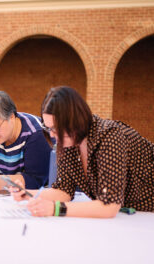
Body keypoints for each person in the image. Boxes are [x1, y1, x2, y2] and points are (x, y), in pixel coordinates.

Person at [11, 86, 154, 218]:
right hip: (136, 215)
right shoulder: (69, 143)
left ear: (75, 121)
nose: (53, 135)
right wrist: (30, 195)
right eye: (48, 128)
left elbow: (109, 206)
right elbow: (64, 191)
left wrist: (55, 209)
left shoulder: (110, 137)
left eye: (56, 128)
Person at [0, 91, 51, 191]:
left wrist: (6, 181)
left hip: (37, 195)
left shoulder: (36, 134)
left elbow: (36, 181)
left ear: (11, 116)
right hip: (5, 194)